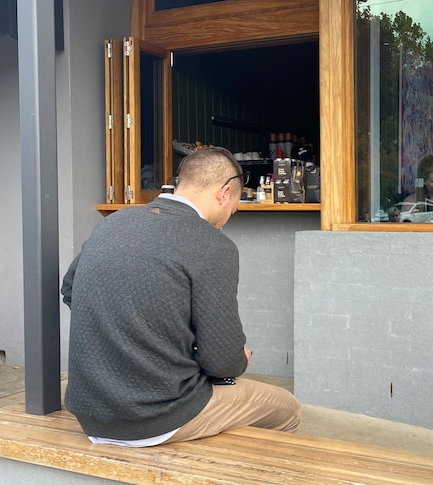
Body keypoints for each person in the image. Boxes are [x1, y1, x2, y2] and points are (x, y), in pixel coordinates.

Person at [61, 146, 302, 447]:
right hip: (157, 417)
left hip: (90, 413)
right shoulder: (214, 246)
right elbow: (222, 363)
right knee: (287, 409)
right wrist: (239, 358)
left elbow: (70, 289)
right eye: (235, 203)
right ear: (224, 192)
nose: (233, 212)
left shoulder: (113, 222)